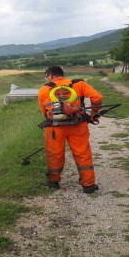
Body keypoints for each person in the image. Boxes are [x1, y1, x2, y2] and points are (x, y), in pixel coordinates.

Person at [37, 66, 103, 194]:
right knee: (82, 153)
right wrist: (92, 114)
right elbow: (97, 98)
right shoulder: (79, 84)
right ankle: (88, 184)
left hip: (54, 128)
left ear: (50, 76)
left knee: (54, 154)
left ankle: (53, 181)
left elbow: (45, 113)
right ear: (62, 74)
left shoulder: (44, 89)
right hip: (77, 126)